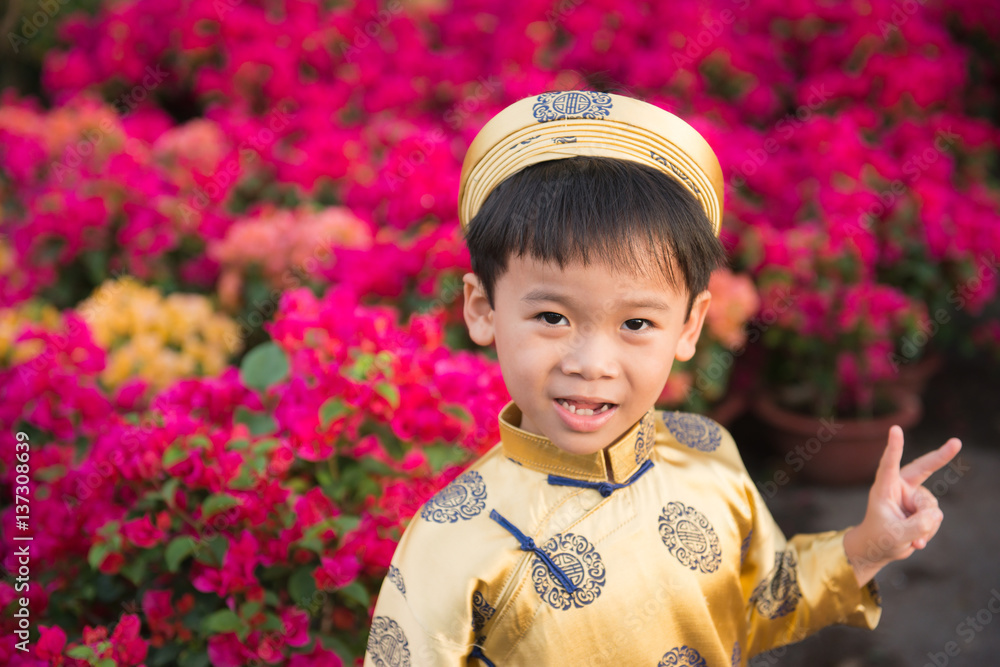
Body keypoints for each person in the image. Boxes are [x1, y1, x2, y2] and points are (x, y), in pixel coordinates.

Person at [362, 90, 962, 666]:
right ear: (482, 309)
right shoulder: (451, 538)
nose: (591, 363)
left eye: (637, 322)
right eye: (552, 317)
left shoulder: (706, 455)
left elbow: (763, 605)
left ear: (690, 324)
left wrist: (868, 547)